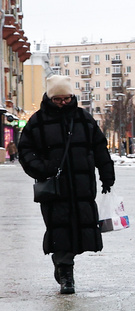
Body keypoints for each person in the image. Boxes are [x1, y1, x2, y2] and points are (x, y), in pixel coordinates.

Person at [17, 74, 114, 294]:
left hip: (82, 186)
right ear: (50, 98)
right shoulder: (37, 121)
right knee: (60, 228)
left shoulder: (83, 119)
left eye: (67, 98)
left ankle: (63, 264)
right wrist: (43, 168)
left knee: (80, 229)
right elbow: (25, 151)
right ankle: (65, 272)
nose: (63, 103)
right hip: (54, 188)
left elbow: (100, 148)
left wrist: (107, 175)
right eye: (58, 99)